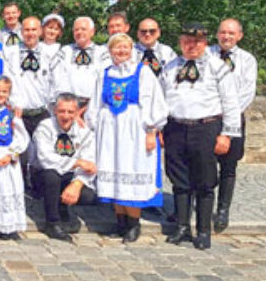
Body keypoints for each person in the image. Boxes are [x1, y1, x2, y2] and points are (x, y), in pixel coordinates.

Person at [159, 23, 241, 250]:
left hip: (205, 128)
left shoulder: (217, 67)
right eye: (186, 41)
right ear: (180, 43)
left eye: (196, 42)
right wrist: (159, 127)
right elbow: (161, 98)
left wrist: (227, 134)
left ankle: (204, 230)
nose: (191, 46)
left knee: (205, 182)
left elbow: (231, 102)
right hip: (175, 128)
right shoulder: (170, 67)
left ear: (205, 42)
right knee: (179, 181)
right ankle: (182, 227)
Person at [86, 33, 168, 243]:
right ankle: (120, 221)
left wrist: (151, 130)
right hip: (110, 132)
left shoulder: (143, 72)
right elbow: (95, 104)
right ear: (110, 51)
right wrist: (95, 129)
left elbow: (154, 103)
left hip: (134, 130)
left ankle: (133, 223)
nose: (121, 51)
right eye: (116, 48)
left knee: (131, 170)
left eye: (125, 47)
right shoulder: (104, 73)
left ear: (131, 49)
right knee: (114, 173)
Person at [208, 18, 257, 233]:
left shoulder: (247, 60)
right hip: (207, 117)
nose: (226, 36)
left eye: (231, 33)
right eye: (222, 32)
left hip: (234, 117)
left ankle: (222, 210)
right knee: (201, 164)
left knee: (228, 167)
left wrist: (228, 114)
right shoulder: (206, 54)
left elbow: (247, 92)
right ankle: (197, 206)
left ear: (239, 36)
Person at [34, 93, 98, 242]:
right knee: (52, 176)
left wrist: (77, 184)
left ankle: (63, 204)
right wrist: (78, 162)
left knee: (88, 196)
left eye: (70, 112)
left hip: (70, 176)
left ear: (77, 113)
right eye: (62, 111)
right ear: (55, 111)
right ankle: (53, 222)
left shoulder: (85, 132)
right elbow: (46, 159)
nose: (66, 116)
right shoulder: (45, 127)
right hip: (44, 175)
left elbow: (90, 162)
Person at [0, 76, 30, 240]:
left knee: (10, 189)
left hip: (8, 155)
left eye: (4, 91)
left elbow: (21, 136)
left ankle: (9, 226)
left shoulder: (11, 113)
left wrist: (12, 154)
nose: (1, 94)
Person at [12, 17, 53, 196]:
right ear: (22, 32)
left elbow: (54, 82)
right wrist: (14, 104)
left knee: (41, 152)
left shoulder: (49, 54)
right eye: (27, 30)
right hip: (19, 110)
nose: (30, 33)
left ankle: (38, 188)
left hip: (41, 110)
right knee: (20, 150)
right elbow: (8, 80)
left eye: (34, 30)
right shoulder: (11, 53)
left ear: (40, 31)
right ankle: (19, 187)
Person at [50, 16, 109, 109]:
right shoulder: (65, 51)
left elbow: (104, 80)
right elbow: (57, 78)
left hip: (95, 105)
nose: (79, 32)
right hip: (69, 106)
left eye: (83, 29)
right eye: (76, 30)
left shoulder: (102, 52)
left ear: (92, 32)